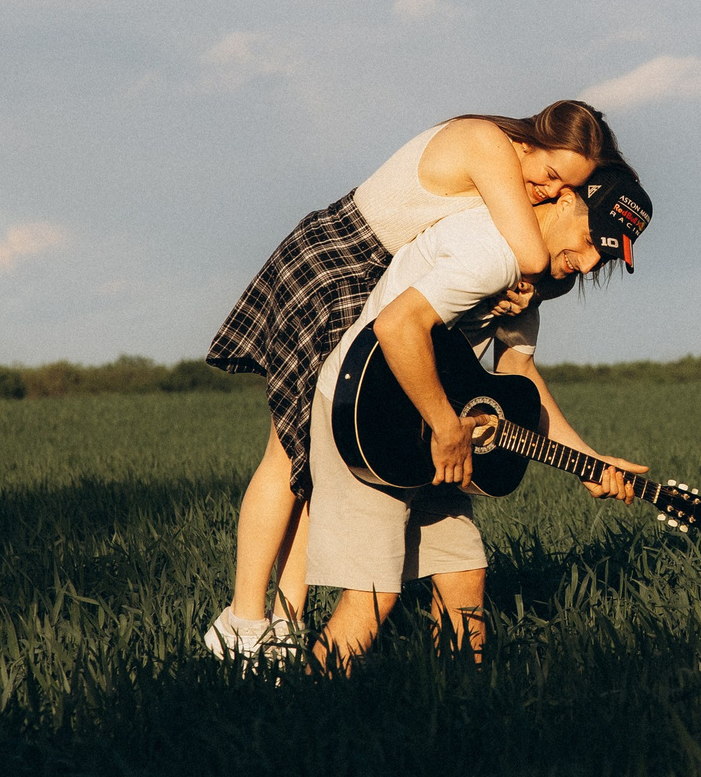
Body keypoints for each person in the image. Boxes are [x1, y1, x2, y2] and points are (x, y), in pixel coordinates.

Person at [203, 103, 633, 657]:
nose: (548, 192)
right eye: (552, 178)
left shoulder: (518, 204)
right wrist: (524, 280)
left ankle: (285, 625)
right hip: (339, 264)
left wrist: (590, 460)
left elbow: (518, 363)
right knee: (290, 455)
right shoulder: (487, 146)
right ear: (532, 141)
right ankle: (244, 621)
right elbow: (526, 251)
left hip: (379, 281)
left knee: (311, 469)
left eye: (562, 188)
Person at [300, 166, 656, 667]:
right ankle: (290, 713)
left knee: (465, 585)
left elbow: (519, 380)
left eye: (609, 255)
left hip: (440, 431)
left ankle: (463, 718)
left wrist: (590, 463)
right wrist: (448, 428)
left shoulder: (527, 282)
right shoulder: (492, 250)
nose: (590, 260)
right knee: (371, 600)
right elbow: (397, 326)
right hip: (371, 419)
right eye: (593, 239)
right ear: (565, 199)